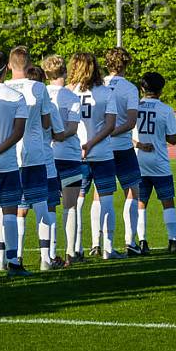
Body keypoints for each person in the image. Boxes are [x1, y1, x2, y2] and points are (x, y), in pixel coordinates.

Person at [65, 52, 122, 260]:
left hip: (75, 154)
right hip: (102, 153)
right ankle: (108, 248)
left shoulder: (68, 91)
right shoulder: (106, 92)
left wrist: (83, 145)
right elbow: (110, 126)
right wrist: (91, 143)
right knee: (106, 199)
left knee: (76, 202)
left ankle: (76, 249)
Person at [4, 47, 56, 271]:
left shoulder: (3, 87)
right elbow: (46, 123)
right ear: (30, 64)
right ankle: (45, 257)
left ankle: (8, 257)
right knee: (41, 202)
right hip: (34, 152)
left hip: (8, 154)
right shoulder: (38, 87)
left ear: (9, 65)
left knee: (9, 207)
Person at [0, 49, 30, 277]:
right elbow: (18, 132)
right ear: (6, 68)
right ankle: (12, 261)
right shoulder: (15, 96)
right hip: (7, 161)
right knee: (9, 211)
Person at [135, 72, 176, 254]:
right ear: (161, 89)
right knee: (167, 202)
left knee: (141, 203)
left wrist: (140, 143)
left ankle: (142, 242)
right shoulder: (166, 109)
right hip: (159, 161)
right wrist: (159, 135)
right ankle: (172, 241)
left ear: (142, 88)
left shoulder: (134, 107)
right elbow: (173, 139)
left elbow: (125, 133)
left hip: (139, 160)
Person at [42, 55, 84, 264]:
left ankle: (50, 254)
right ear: (64, 73)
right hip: (68, 155)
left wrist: (51, 136)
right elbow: (73, 128)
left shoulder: (41, 94)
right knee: (70, 205)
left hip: (48, 156)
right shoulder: (71, 97)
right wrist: (59, 135)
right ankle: (70, 252)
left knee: (50, 206)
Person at [103, 47, 142, 255]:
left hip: (101, 147)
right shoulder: (129, 88)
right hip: (122, 146)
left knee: (100, 195)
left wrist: (103, 135)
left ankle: (97, 244)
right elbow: (131, 122)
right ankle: (130, 241)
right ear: (126, 64)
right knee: (132, 193)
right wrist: (112, 132)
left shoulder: (99, 84)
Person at [26, 64, 66, 269]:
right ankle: (48, 256)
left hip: (19, 159)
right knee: (48, 206)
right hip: (45, 161)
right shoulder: (47, 103)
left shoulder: (17, 97)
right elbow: (57, 132)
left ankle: (9, 258)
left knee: (17, 210)